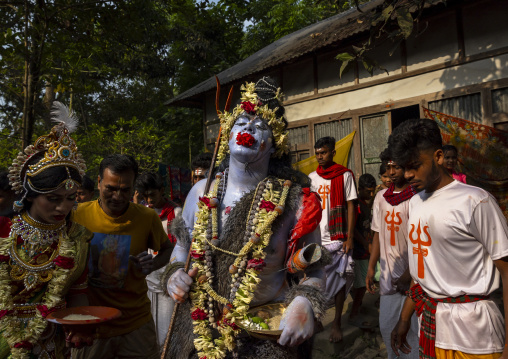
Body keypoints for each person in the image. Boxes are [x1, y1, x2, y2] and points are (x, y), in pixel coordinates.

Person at [162, 77, 325, 359]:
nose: (248, 127)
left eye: (260, 126)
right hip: (202, 329)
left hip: (264, 333)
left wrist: (305, 303)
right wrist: (173, 274)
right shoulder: (202, 191)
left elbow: (316, 269)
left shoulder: (295, 200)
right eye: (240, 123)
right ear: (227, 136)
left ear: (274, 146)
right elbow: (181, 249)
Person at [389, 119, 508, 359]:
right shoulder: (414, 202)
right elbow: (421, 270)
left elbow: (507, 271)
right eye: (404, 167)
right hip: (432, 325)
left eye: (415, 165)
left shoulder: (475, 201)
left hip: (476, 332)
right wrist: (404, 319)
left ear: (439, 156)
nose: (408, 174)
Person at [0, 102, 94, 358]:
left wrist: (79, 326)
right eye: (53, 199)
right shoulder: (2, 231)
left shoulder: (77, 238)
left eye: (71, 197)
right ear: (29, 196)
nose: (63, 207)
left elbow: (78, 293)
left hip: (49, 346)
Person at [72, 154, 174, 359]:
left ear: (133, 188)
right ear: (99, 182)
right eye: (111, 188)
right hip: (91, 325)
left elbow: (167, 250)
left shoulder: (147, 217)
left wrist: (150, 265)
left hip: (136, 324)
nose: (117, 196)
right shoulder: (77, 215)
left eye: (125, 190)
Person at [366, 149, 418, 359]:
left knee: (413, 331)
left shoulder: (416, 197)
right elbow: (377, 234)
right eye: (388, 167)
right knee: (387, 327)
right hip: (388, 277)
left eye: (397, 166)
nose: (392, 171)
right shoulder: (381, 197)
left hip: (412, 276)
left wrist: (410, 272)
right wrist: (371, 267)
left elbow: (420, 240)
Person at [308, 136, 357, 343]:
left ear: (333, 153)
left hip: (338, 238)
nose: (320, 156)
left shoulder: (344, 175)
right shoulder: (311, 177)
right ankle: (317, 319)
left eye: (324, 152)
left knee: (339, 281)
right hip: (317, 237)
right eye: (317, 153)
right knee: (314, 282)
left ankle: (336, 322)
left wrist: (350, 236)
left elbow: (351, 206)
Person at [135, 171, 181, 347]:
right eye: (145, 196)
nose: (149, 200)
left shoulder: (176, 212)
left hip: (167, 280)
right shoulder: (143, 213)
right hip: (147, 279)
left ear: (162, 190)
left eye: (152, 195)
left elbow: (181, 248)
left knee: (166, 329)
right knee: (147, 328)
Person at [348, 173, 376, 327]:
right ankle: (353, 315)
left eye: (372, 192)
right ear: (359, 189)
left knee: (361, 284)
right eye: (368, 192)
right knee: (360, 286)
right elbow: (353, 229)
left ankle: (355, 311)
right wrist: (366, 244)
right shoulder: (356, 205)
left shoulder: (365, 204)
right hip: (359, 251)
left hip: (364, 249)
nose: (371, 195)